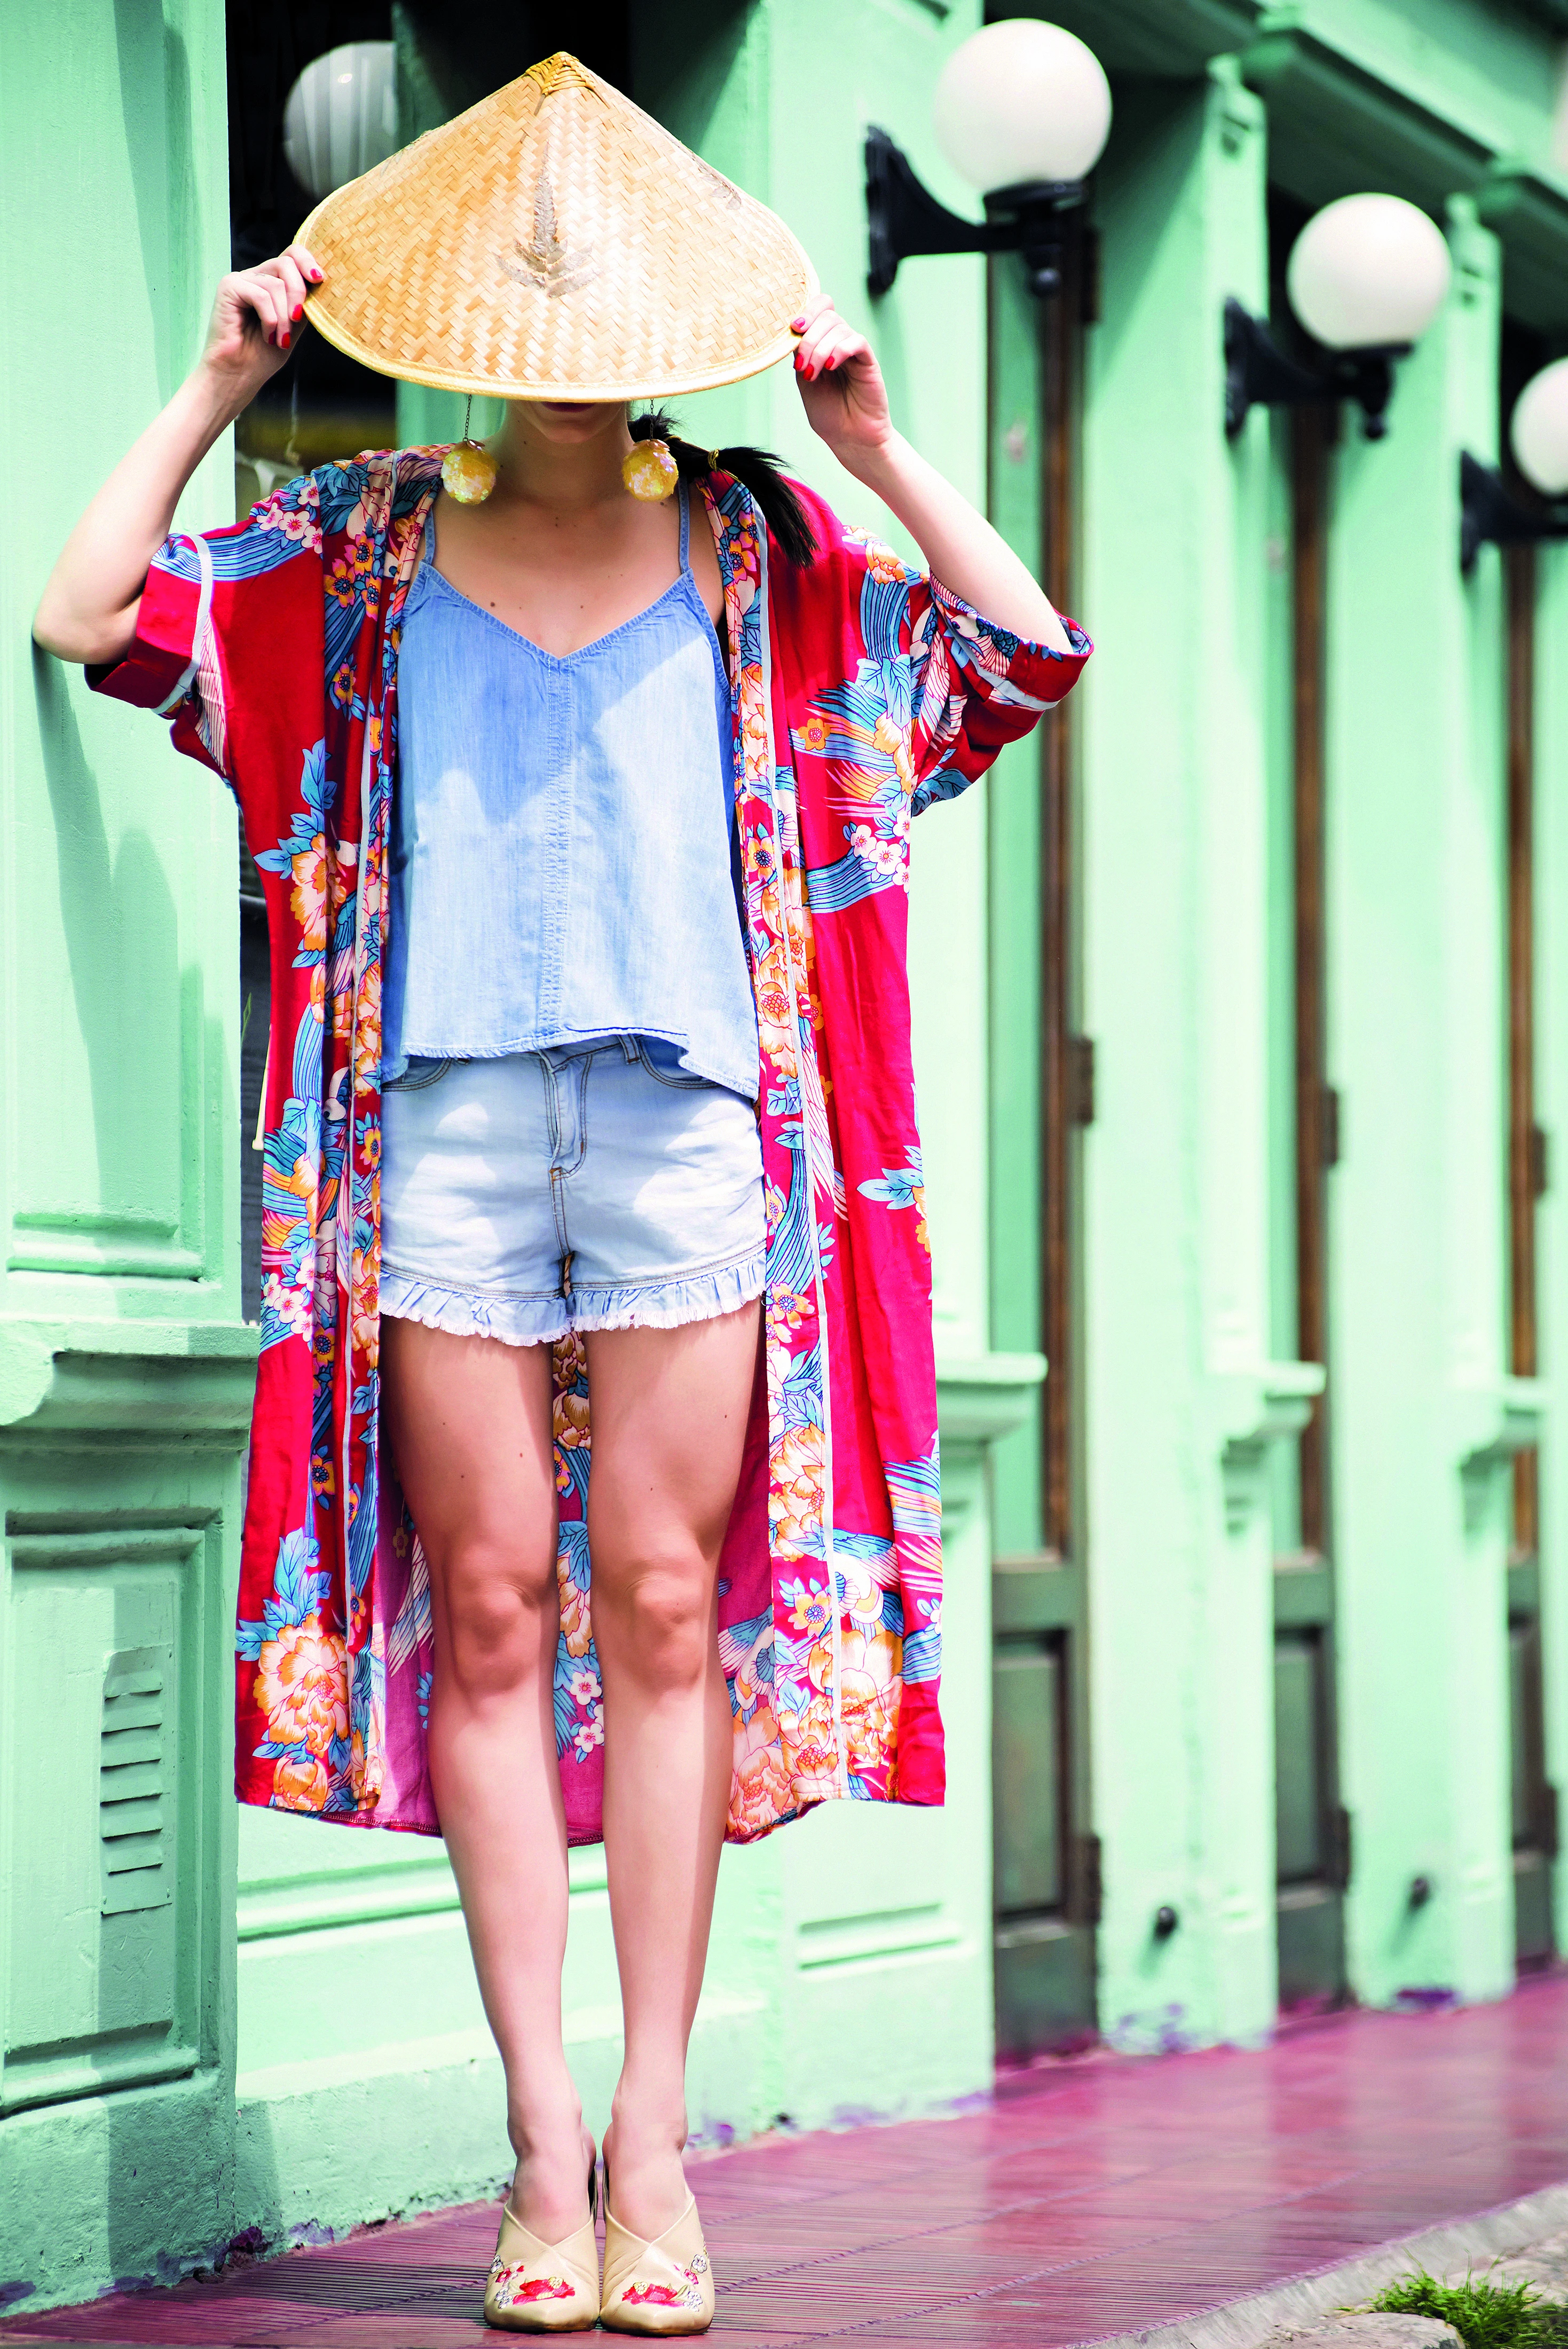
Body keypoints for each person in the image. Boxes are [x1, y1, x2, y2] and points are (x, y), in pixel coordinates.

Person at [35, 52, 1088, 2337]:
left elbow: (1016, 661)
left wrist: (876, 448)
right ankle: (539, 2144)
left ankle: (658, 2145)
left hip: (692, 1124)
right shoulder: (360, 540)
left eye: (605, 323)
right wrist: (217, 389)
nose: (568, 358)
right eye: (530, 321)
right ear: (468, 332)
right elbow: (90, 611)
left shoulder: (763, 545)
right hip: (434, 1133)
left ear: (664, 334)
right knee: (497, 1609)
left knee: (667, 1601)